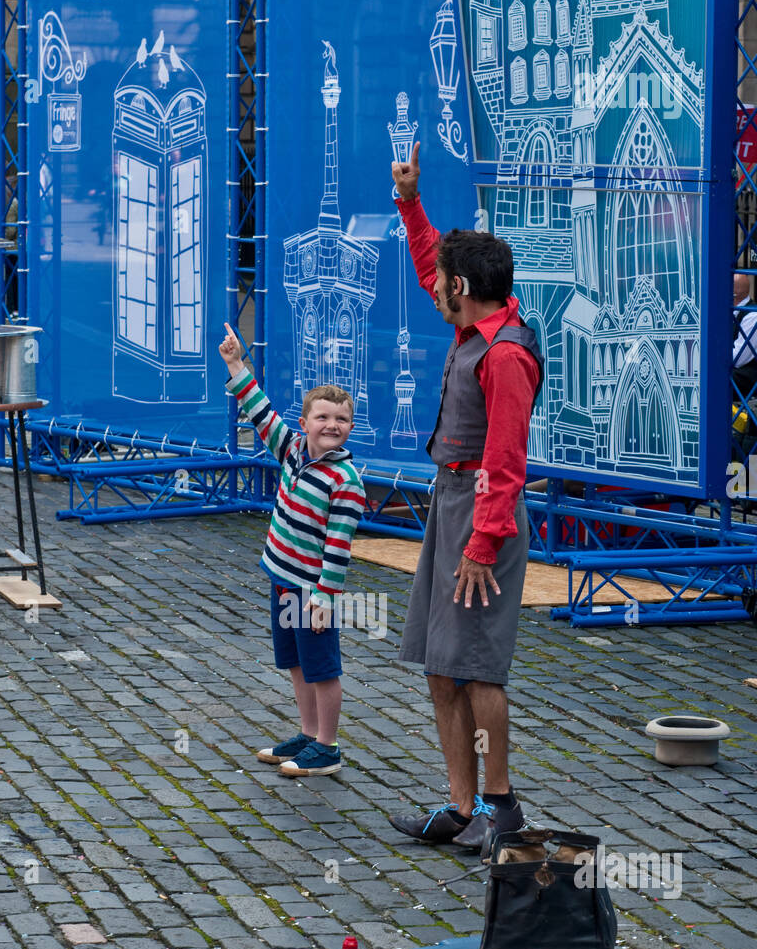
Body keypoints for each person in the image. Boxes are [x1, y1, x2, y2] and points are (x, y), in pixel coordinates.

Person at [387, 142, 543, 856]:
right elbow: (428, 264)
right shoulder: (472, 319)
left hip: (484, 513)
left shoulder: (505, 353)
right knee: (442, 662)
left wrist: (484, 543)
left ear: (464, 288)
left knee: (478, 663)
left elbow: (506, 462)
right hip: (451, 500)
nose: (435, 287)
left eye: (444, 282)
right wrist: (410, 202)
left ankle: (500, 807)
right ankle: (460, 804)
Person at [218, 323, 366, 776]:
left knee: (322, 667)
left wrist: (325, 597)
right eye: (322, 418)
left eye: (340, 420)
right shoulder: (293, 451)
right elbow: (261, 412)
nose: (331, 426)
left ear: (350, 427)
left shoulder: (346, 483)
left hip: (312, 590)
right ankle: (307, 734)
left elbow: (338, 548)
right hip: (282, 579)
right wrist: (236, 364)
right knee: (296, 663)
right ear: (305, 424)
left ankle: (328, 746)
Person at [732, 271, 757, 400]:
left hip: (751, 379)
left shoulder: (754, 316)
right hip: (738, 375)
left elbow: (737, 359)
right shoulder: (733, 312)